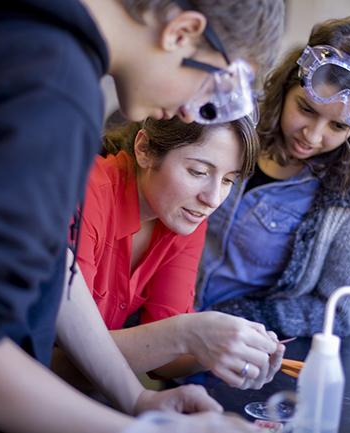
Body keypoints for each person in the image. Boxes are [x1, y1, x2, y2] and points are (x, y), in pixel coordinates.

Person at [0, 1, 284, 432]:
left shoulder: (20, 38)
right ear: (182, 32)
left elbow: (54, 262)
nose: (193, 112)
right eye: (218, 86)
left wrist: (136, 399)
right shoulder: (53, 87)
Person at [196, 16, 350, 338]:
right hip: (163, 316)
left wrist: (230, 321)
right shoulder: (235, 122)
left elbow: (341, 311)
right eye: (306, 109)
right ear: (288, 86)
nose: (313, 136)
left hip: (244, 343)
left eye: (338, 127)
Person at [63, 116, 283, 391]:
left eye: (228, 180)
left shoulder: (184, 216)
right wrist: (186, 334)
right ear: (144, 149)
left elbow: (162, 361)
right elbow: (53, 360)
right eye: (199, 172)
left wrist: (227, 345)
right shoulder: (85, 193)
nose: (213, 199)